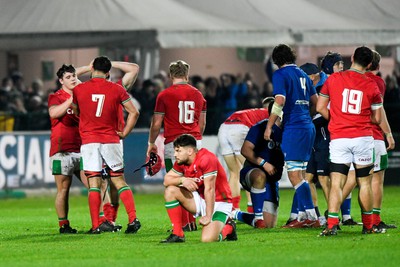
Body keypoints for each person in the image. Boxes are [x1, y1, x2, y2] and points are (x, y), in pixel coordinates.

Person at [317, 46, 383, 236]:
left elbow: (321, 107)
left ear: (352, 57)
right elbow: (377, 118)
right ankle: (369, 225)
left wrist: (338, 118)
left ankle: (331, 225)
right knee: (365, 183)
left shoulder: (334, 79)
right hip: (363, 138)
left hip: (339, 138)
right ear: (370, 64)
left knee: (336, 183)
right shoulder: (372, 85)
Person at [72, 56, 141, 234]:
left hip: (89, 141)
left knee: (94, 183)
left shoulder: (79, 89)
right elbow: (134, 112)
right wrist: (125, 132)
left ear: (92, 68)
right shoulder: (117, 89)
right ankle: (133, 219)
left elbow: (75, 111)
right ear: (108, 72)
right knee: (118, 180)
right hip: (111, 139)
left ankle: (96, 225)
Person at [147, 60, 207, 231]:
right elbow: (201, 125)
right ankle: (192, 222)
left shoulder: (164, 95)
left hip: (174, 144)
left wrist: (151, 143)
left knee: (174, 183)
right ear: (187, 75)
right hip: (195, 143)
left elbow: (156, 124)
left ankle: (183, 224)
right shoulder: (199, 95)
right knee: (194, 182)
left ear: (171, 75)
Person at [264, 44, 320, 228]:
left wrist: (269, 126)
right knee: (302, 175)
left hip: (294, 128)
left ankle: (312, 217)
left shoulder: (280, 74)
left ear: (276, 60)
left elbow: (279, 100)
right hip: (307, 127)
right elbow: (316, 102)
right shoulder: (303, 74)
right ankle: (301, 216)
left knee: (295, 176)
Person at [161, 134, 236, 243]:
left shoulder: (207, 158)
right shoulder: (182, 162)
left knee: (207, 239)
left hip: (220, 202)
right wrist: (182, 180)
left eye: (178, 151)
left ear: (190, 151)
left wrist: (208, 216)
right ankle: (178, 234)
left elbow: (209, 189)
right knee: (170, 191)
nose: (175, 154)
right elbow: (166, 180)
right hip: (200, 199)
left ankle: (229, 228)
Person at [48, 63, 91, 233]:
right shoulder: (56, 97)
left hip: (82, 148)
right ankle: (63, 225)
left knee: (95, 185)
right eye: (68, 77)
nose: (73, 79)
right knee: (63, 190)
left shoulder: (82, 95)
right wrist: (71, 99)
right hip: (61, 150)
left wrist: (88, 68)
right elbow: (53, 113)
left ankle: (101, 220)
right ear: (60, 81)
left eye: (74, 76)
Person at [100, 60, 140, 230]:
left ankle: (110, 219)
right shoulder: (116, 87)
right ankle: (112, 219)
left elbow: (134, 69)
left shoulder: (115, 87)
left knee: (105, 181)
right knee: (111, 181)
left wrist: (107, 63)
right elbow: (134, 69)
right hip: (111, 140)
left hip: (103, 140)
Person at [233, 97, 284, 228]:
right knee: (260, 175)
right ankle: (258, 217)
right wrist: (263, 163)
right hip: (252, 173)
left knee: (268, 225)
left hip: (272, 181)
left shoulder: (287, 131)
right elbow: (245, 150)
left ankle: (236, 214)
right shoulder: (260, 127)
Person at [217, 98, 270, 212]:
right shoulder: (271, 115)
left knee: (234, 172)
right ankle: (253, 207)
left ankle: (233, 209)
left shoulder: (252, 112)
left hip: (224, 127)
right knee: (251, 170)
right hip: (239, 128)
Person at [365, 50, 396, 230]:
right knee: (377, 179)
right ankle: (374, 220)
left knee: (354, 180)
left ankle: (333, 217)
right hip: (374, 137)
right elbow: (379, 111)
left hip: (351, 136)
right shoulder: (377, 82)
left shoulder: (352, 79)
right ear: (377, 65)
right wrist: (388, 134)